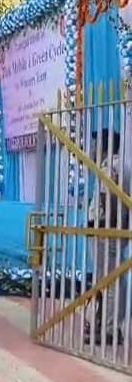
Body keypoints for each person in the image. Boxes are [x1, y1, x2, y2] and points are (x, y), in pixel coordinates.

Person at [86, 129, 130, 345]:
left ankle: (109, 330)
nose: (91, 150)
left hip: (106, 230)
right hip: (117, 229)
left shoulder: (108, 166)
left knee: (109, 282)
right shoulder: (124, 164)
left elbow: (108, 198)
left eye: (94, 145)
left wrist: (106, 225)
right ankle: (111, 326)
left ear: (104, 145)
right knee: (115, 281)